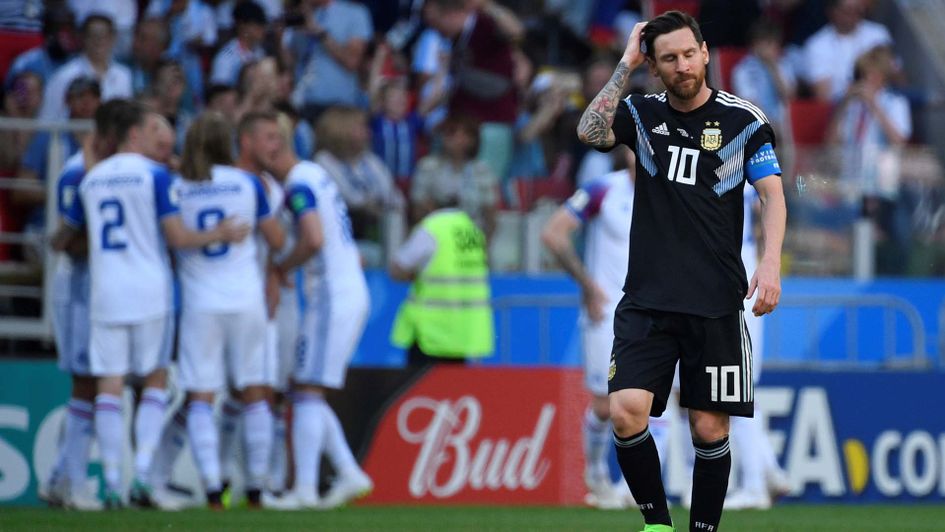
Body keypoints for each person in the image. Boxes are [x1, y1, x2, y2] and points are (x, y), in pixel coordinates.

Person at [576, 11, 786, 532]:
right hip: (646, 299)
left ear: (706, 52)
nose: (682, 65)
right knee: (626, 411)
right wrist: (625, 64)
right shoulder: (641, 113)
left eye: (688, 54)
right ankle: (657, 525)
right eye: (668, 58)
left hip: (716, 302)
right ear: (655, 64)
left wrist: (771, 260)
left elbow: (774, 196)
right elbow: (589, 130)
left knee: (710, 429)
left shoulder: (745, 121)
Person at [51, 104, 250, 508]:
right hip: (150, 293)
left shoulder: (92, 180)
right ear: (135, 134)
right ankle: (140, 476)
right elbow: (176, 238)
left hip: (106, 291)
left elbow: (65, 234)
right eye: (154, 127)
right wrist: (220, 232)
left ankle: (109, 482)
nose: (163, 137)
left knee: (108, 386)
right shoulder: (156, 176)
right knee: (155, 381)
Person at [541, 148, 668, 510]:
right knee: (605, 404)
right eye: (634, 145)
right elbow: (553, 234)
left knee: (655, 401)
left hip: (657, 313)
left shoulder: (671, 192)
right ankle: (596, 474)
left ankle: (638, 488)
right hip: (607, 312)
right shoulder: (602, 190)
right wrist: (587, 285)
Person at [174, 111, 284, 509]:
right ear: (229, 143)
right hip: (246, 298)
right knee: (255, 391)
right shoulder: (247, 183)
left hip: (201, 302)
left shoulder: (178, 187)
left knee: (201, 396)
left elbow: (171, 241)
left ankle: (212, 490)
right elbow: (277, 237)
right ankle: (256, 489)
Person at [263, 124, 373, 510]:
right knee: (307, 386)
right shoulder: (316, 173)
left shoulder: (297, 186)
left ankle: (304, 490)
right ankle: (347, 470)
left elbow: (313, 238)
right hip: (345, 290)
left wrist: (281, 268)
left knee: (308, 389)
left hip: (331, 294)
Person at [40, 99, 134, 511]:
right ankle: (74, 483)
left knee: (97, 386)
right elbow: (70, 245)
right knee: (87, 384)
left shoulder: (109, 174)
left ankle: (59, 478)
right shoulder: (77, 173)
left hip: (102, 291)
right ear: (112, 136)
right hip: (79, 292)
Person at [722, 186, 791, 511]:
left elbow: (768, 210)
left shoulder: (737, 174)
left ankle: (754, 486)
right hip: (744, 270)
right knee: (739, 385)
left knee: (735, 386)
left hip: (736, 276)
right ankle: (771, 473)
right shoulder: (748, 178)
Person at [829, 46, 911, 275]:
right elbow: (832, 143)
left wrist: (874, 105)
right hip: (851, 184)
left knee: (891, 244)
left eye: (868, 75)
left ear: (880, 77)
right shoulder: (852, 108)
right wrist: (844, 104)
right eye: (860, 76)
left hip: (883, 186)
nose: (863, 81)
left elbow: (899, 140)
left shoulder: (895, 103)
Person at [389, 194, 494, 367]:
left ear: (429, 203)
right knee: (454, 389)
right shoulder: (472, 230)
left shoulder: (432, 228)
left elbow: (398, 267)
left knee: (423, 389)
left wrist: (414, 275)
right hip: (464, 330)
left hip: (431, 330)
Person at [281, 0, 374, 120]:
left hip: (338, 106)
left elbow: (352, 61)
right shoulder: (301, 13)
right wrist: (280, 36)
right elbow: (290, 63)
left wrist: (320, 33)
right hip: (302, 104)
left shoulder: (354, 13)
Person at [410, 114, 498, 239]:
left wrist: (484, 247)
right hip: (436, 236)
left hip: (470, 238)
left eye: (453, 132)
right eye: (445, 132)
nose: (447, 137)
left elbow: (490, 215)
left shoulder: (481, 170)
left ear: (470, 140)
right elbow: (417, 210)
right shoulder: (427, 166)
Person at [39, 14, 132, 120]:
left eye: (104, 36)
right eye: (93, 35)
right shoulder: (64, 75)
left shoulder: (124, 76)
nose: (98, 41)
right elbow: (48, 117)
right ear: (82, 38)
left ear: (113, 38)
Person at [802, 0, 891, 102]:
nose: (853, 15)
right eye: (847, 10)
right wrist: (853, 92)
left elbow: (895, 77)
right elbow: (823, 96)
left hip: (881, 102)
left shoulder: (878, 33)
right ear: (832, 12)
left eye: (857, 10)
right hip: (840, 107)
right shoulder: (816, 44)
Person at [210, 0, 266, 87]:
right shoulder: (226, 56)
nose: (262, 29)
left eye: (262, 25)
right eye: (257, 24)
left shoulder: (260, 51)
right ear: (242, 25)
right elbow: (219, 91)